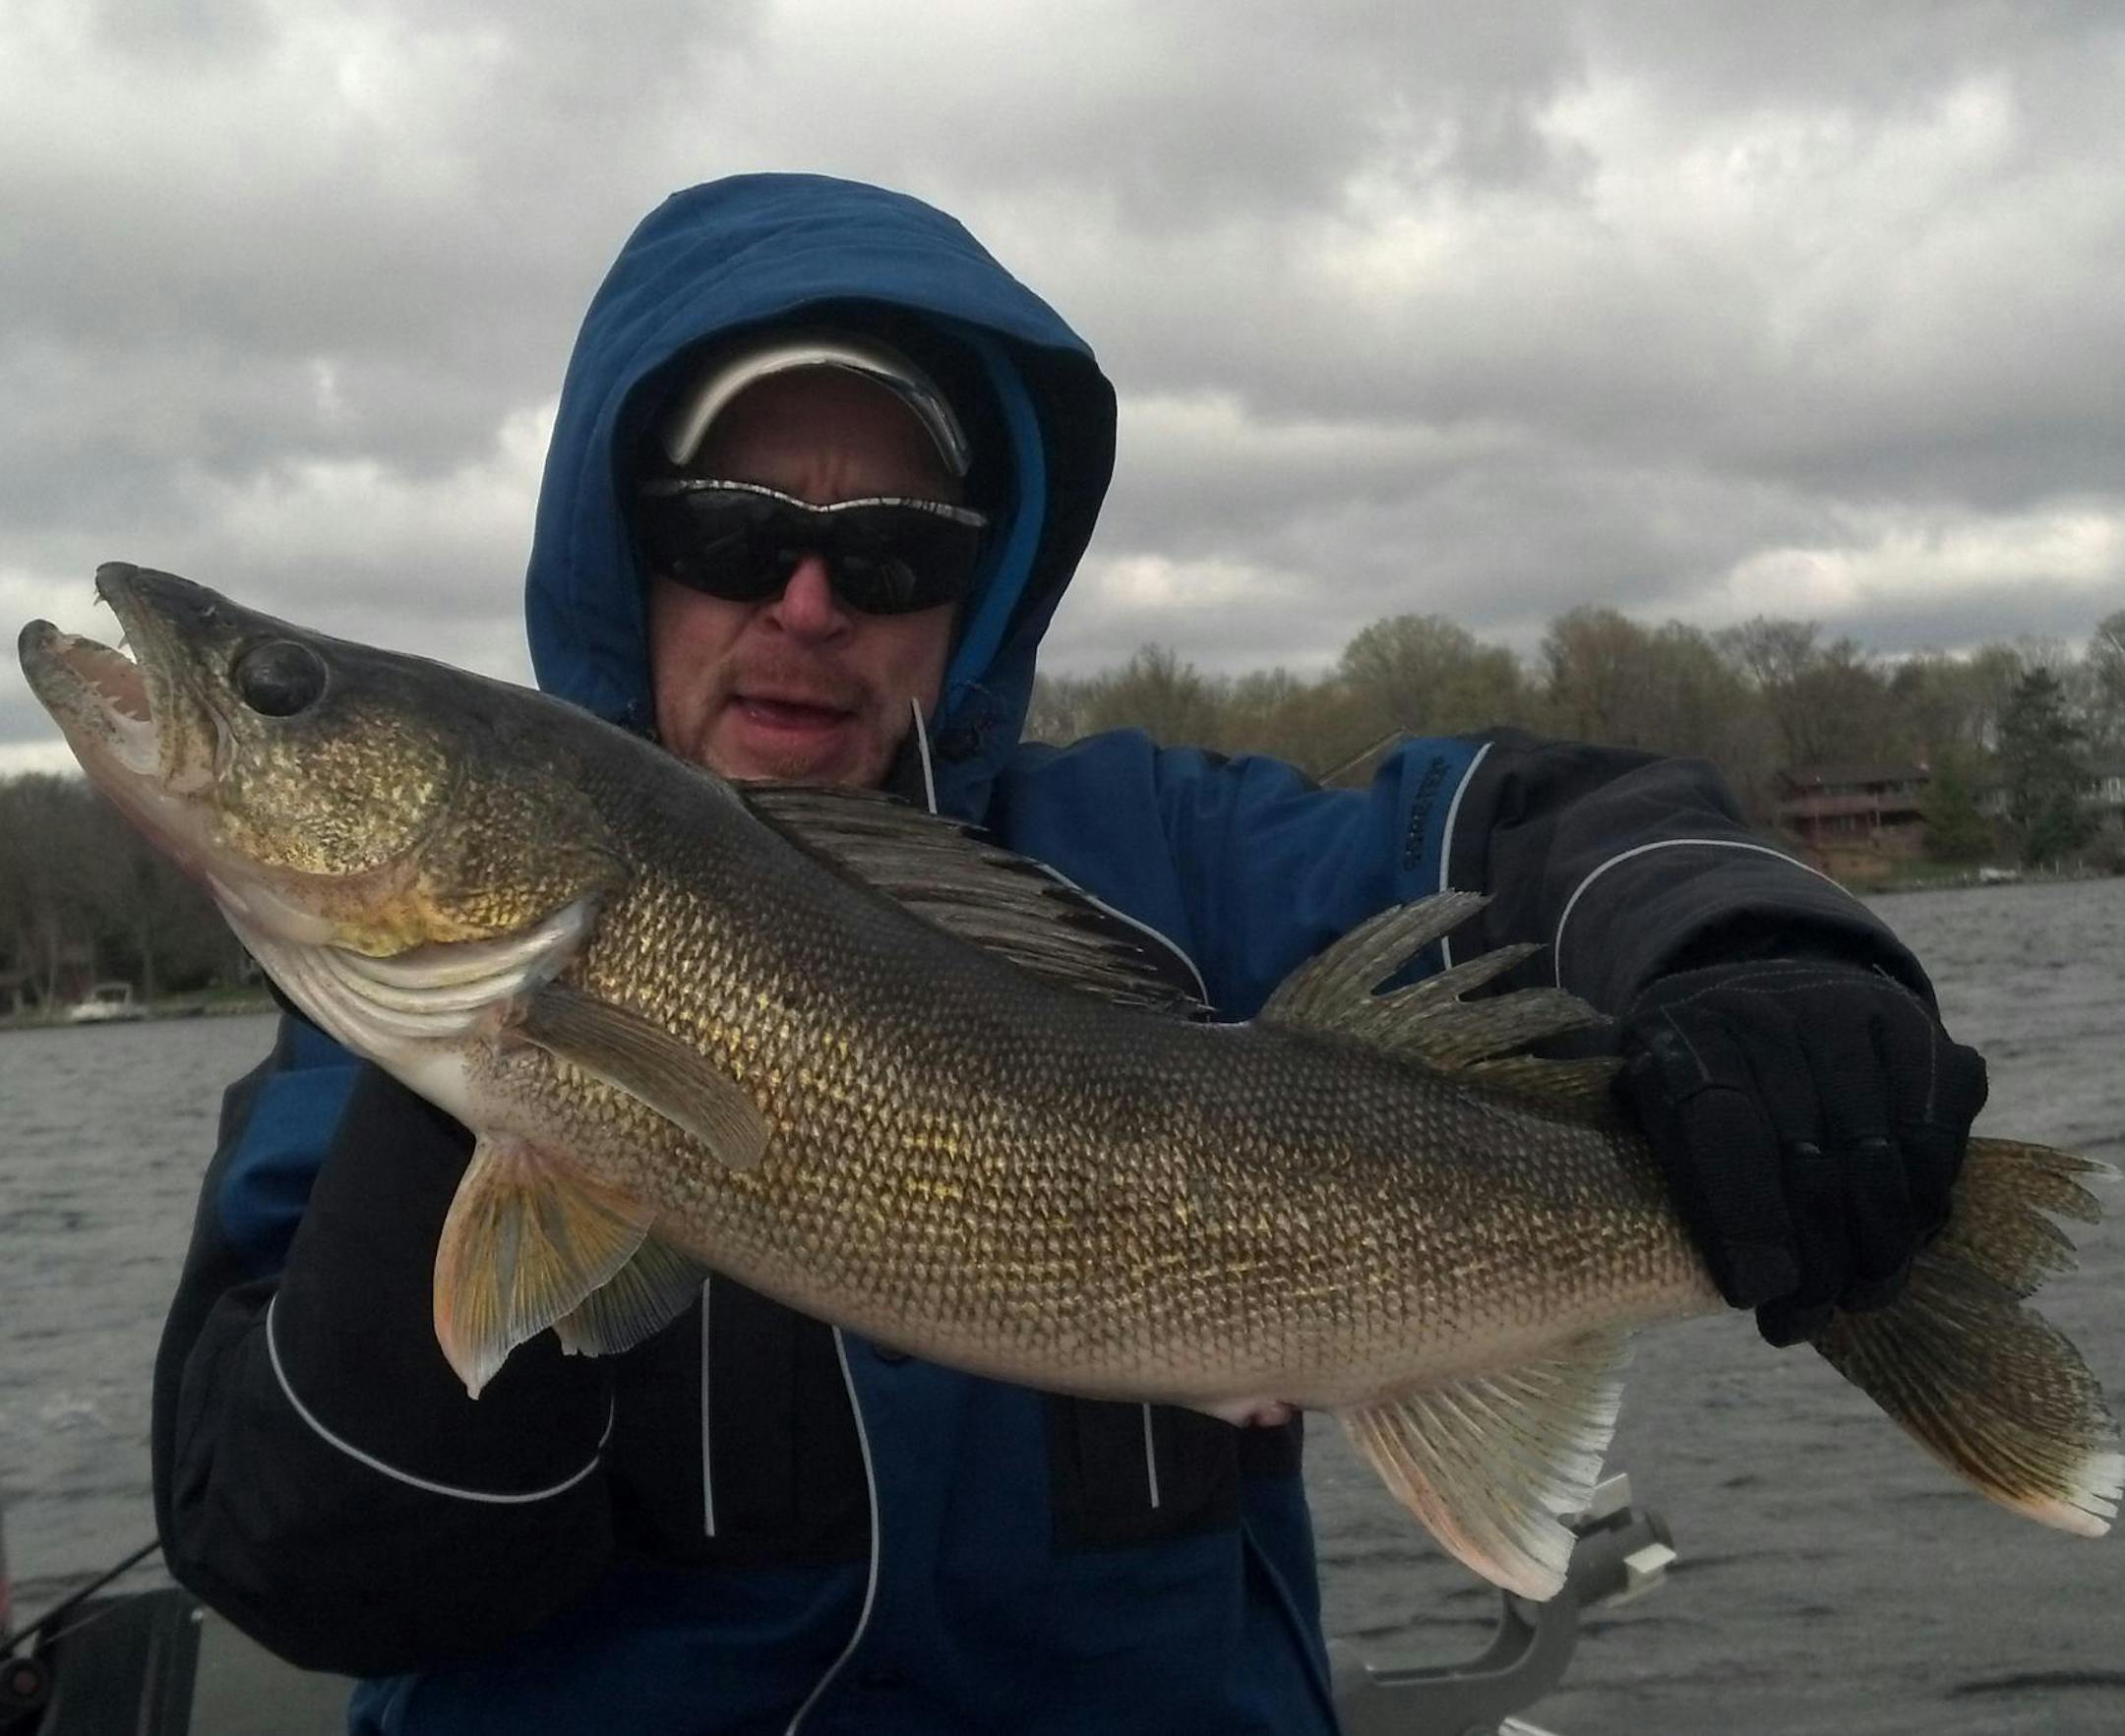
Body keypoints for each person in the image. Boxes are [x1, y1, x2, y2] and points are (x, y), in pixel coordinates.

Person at [152, 173, 1986, 1735]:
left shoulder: (1162, 859)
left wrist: (1748, 949)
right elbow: (313, 1565)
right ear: (621, 552)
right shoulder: (369, 1045)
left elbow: (1523, 822)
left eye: (896, 550)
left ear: (984, 586)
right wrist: (484, 1091)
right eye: (730, 533)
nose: (808, 603)